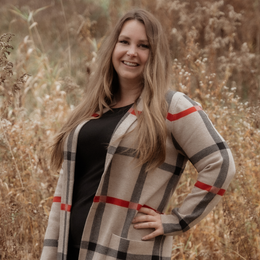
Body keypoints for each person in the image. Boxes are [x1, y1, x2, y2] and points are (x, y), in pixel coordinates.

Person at [40, 9, 236, 260]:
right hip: (68, 248)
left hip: (122, 251)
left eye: (143, 46)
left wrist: (177, 220)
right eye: (124, 42)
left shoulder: (172, 106)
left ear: (155, 55)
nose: (131, 52)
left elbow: (221, 163)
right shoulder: (93, 107)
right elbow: (67, 182)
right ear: (113, 47)